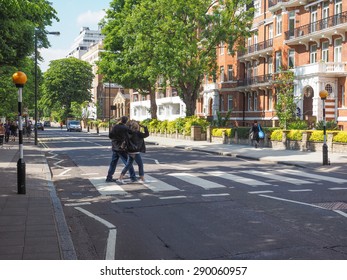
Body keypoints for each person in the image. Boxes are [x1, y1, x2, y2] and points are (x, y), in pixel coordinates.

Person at [106, 116, 137, 183]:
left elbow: (110, 136)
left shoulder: (115, 127)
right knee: (128, 163)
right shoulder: (125, 128)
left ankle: (109, 177)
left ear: (121, 120)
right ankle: (133, 177)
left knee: (113, 163)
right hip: (121, 148)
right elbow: (132, 134)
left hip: (114, 147)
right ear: (126, 121)